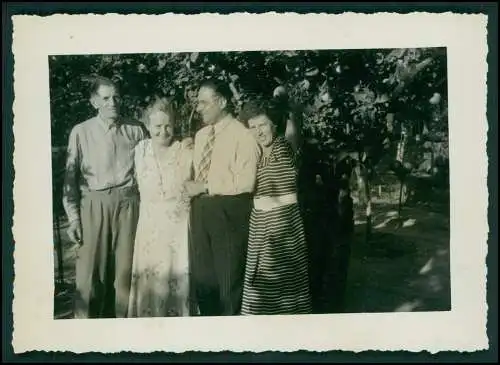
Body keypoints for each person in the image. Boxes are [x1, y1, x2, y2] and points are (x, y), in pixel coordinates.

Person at [62, 76, 146, 318]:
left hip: (128, 204)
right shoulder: (81, 132)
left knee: (125, 273)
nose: (113, 103)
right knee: (90, 276)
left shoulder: (136, 129)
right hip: (94, 205)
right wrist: (74, 219)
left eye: (116, 97)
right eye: (106, 98)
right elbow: (70, 180)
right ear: (94, 101)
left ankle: (122, 334)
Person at [184, 79, 261, 316]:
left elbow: (246, 182)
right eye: (198, 103)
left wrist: (205, 186)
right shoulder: (200, 136)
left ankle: (231, 342)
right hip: (200, 212)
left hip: (228, 212)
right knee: (204, 282)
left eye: (204, 103)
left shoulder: (244, 136)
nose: (199, 108)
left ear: (223, 102)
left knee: (229, 283)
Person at [238, 99, 312, 315]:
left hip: (285, 225)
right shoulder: (252, 154)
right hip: (260, 226)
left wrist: (282, 100)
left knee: (287, 285)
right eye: (252, 127)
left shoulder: (286, 147)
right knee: (259, 284)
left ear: (274, 124)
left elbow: (293, 124)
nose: (258, 132)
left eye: (262, 125)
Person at [127, 97, 195, 318]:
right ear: (147, 125)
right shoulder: (139, 151)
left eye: (168, 125)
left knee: (177, 277)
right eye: (157, 126)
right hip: (150, 227)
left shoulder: (185, 148)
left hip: (179, 228)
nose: (163, 131)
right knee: (151, 280)